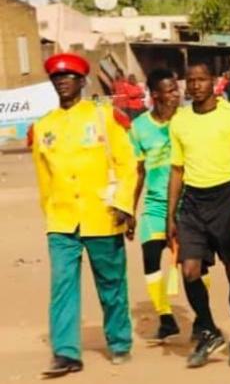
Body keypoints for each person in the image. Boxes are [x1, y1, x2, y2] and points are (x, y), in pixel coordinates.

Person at [32, 53, 137, 377]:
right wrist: (51, 213)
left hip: (102, 215)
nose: (62, 82)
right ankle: (66, 353)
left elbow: (127, 163)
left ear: (82, 81)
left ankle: (119, 342)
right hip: (62, 221)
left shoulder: (104, 116)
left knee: (111, 285)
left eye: (68, 77)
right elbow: (43, 178)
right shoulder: (43, 127)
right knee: (62, 286)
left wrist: (124, 205)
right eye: (56, 78)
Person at [167, 62, 230, 368]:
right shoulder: (180, 121)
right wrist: (171, 215)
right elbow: (176, 170)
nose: (195, 85)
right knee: (190, 271)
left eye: (201, 80)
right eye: (190, 80)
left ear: (214, 82)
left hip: (227, 199)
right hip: (193, 203)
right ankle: (209, 331)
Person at [129, 69, 188, 342]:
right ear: (155, 95)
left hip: (187, 203)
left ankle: (203, 319)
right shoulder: (139, 127)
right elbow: (137, 172)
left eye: (177, 88)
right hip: (154, 205)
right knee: (150, 258)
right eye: (171, 90)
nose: (177, 94)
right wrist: (129, 210)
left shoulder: (187, 120)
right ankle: (166, 318)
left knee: (192, 265)